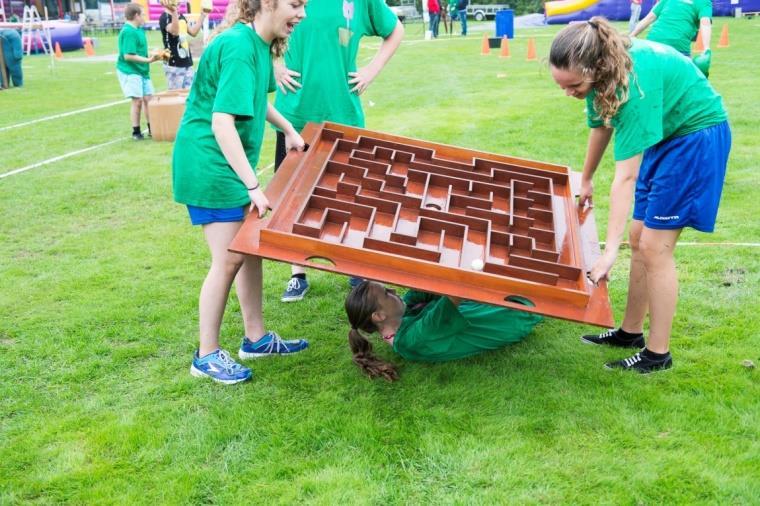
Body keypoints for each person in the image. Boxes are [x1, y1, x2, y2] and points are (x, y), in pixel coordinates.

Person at [549, 17, 730, 373]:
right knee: (639, 236)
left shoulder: (633, 84)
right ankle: (630, 332)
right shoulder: (600, 74)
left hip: (695, 139)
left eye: (572, 85)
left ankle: (657, 354)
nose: (568, 93)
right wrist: (585, 180)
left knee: (654, 247)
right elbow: (600, 126)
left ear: (594, 67)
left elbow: (626, 177)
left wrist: (608, 251)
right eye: (562, 86)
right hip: (666, 137)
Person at [172, 0, 309, 385]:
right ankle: (206, 355)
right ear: (267, 3)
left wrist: (288, 129)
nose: (302, 14)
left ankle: (256, 338)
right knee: (229, 259)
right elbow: (221, 123)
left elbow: (257, 101)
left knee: (250, 250)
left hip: (228, 166)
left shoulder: (259, 45)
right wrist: (252, 185)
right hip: (210, 167)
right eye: (296, 5)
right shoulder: (236, 46)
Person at [272, 0, 404, 303]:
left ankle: (353, 266)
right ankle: (298, 272)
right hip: (295, 115)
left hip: (344, 112)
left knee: (351, 195)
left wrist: (371, 70)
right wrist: (275, 65)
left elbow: (395, 30)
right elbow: (253, 28)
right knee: (293, 197)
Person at [344, 281, 542, 380]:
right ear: (379, 316)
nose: (394, 291)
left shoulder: (400, 314)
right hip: (517, 313)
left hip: (495, 302)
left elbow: (424, 287)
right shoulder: (413, 340)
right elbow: (456, 290)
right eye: (387, 293)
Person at [117, 3, 163, 140]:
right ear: (136, 15)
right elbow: (128, 56)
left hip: (142, 71)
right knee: (137, 101)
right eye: (142, 14)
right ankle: (136, 132)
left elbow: (140, 51)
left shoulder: (138, 30)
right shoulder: (128, 32)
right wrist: (149, 60)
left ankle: (151, 129)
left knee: (149, 99)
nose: (144, 17)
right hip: (130, 71)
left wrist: (155, 54)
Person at [630, 0, 712, 56]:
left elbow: (649, 18)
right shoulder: (703, 2)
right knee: (686, 78)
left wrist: (632, 35)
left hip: (653, 42)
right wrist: (706, 48)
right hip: (678, 46)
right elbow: (705, 23)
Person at [158, 0, 207, 90]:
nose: (179, 3)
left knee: (189, 95)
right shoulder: (164, 17)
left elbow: (193, 32)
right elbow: (175, 32)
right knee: (175, 97)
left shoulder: (181, 16)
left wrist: (203, 15)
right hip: (172, 64)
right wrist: (174, 12)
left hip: (186, 61)